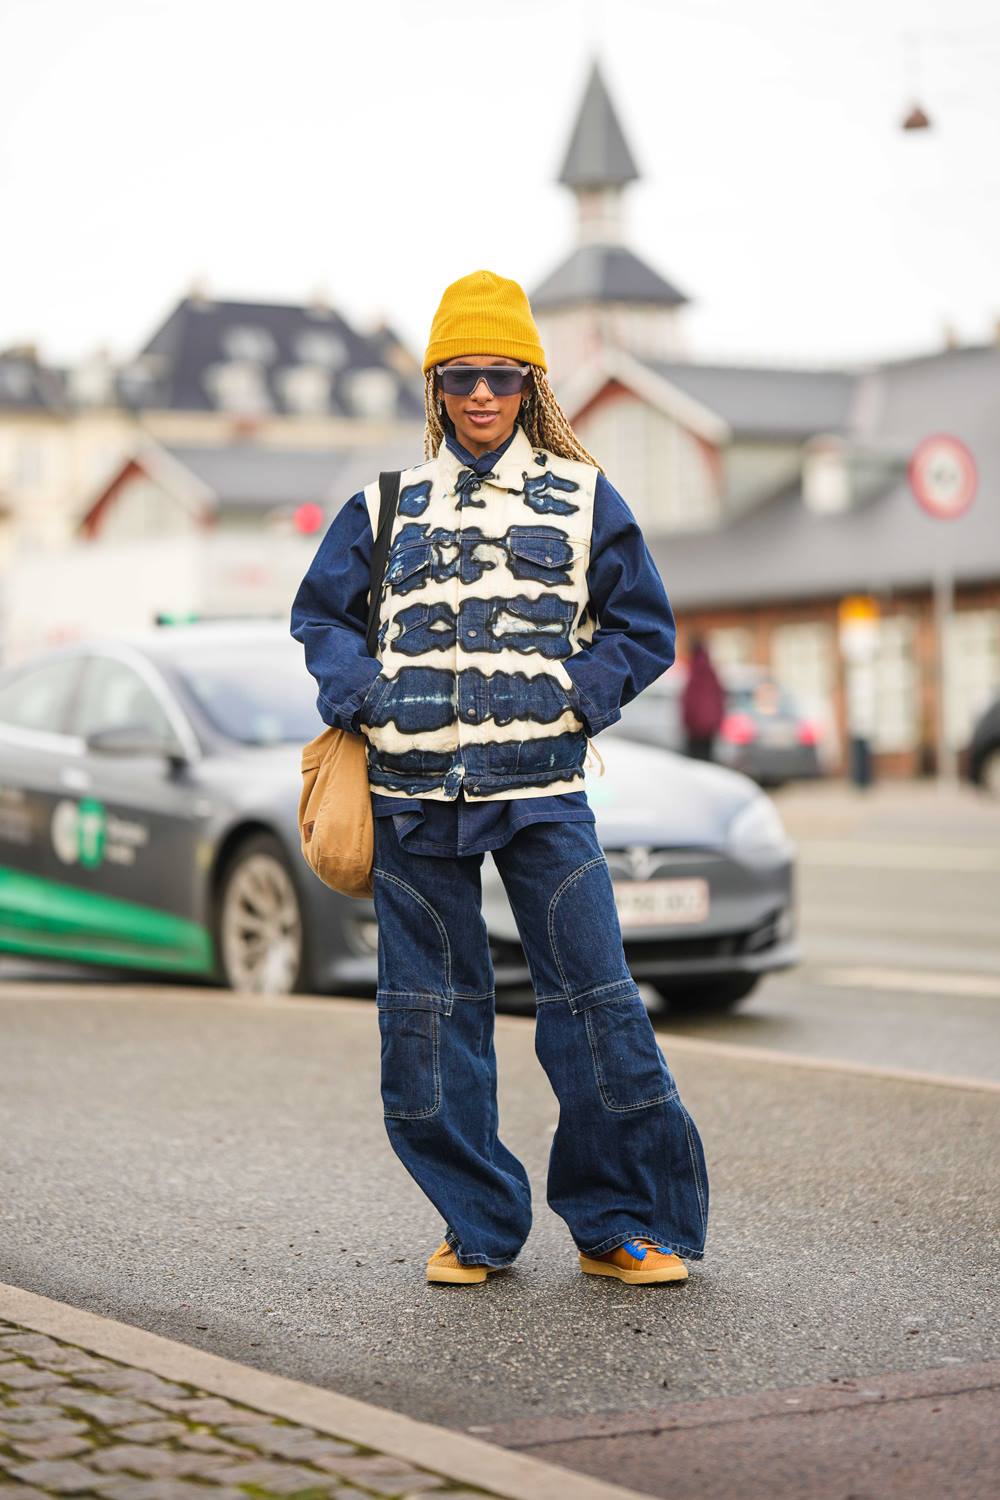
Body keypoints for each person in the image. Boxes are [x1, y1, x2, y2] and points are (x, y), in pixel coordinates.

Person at [290, 269, 708, 1288]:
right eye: (462, 376)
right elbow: (321, 618)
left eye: (503, 376)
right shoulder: (382, 506)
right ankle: (474, 1223)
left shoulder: (583, 497)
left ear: (531, 384)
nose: (483, 394)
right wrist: (365, 693)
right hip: (411, 798)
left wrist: (577, 695)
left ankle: (617, 1223)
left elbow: (642, 627)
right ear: (436, 386)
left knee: (597, 1002)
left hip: (541, 795)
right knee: (428, 1017)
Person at [681, 635, 725, 760]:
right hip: (709, 727)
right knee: (707, 761)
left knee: (696, 763)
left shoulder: (694, 671)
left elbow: (689, 701)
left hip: (695, 728)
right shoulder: (711, 671)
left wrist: (687, 722)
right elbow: (719, 698)